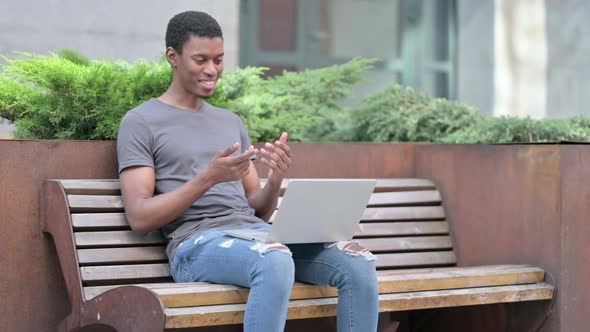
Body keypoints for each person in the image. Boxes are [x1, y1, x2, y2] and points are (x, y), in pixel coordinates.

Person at [117, 11, 378, 332]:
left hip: (256, 237)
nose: (212, 70)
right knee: (274, 258)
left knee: (358, 262)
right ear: (172, 56)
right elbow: (140, 217)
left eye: (219, 59)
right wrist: (207, 178)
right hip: (195, 245)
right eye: (200, 60)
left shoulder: (230, 122)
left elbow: (258, 205)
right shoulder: (141, 122)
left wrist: (277, 177)